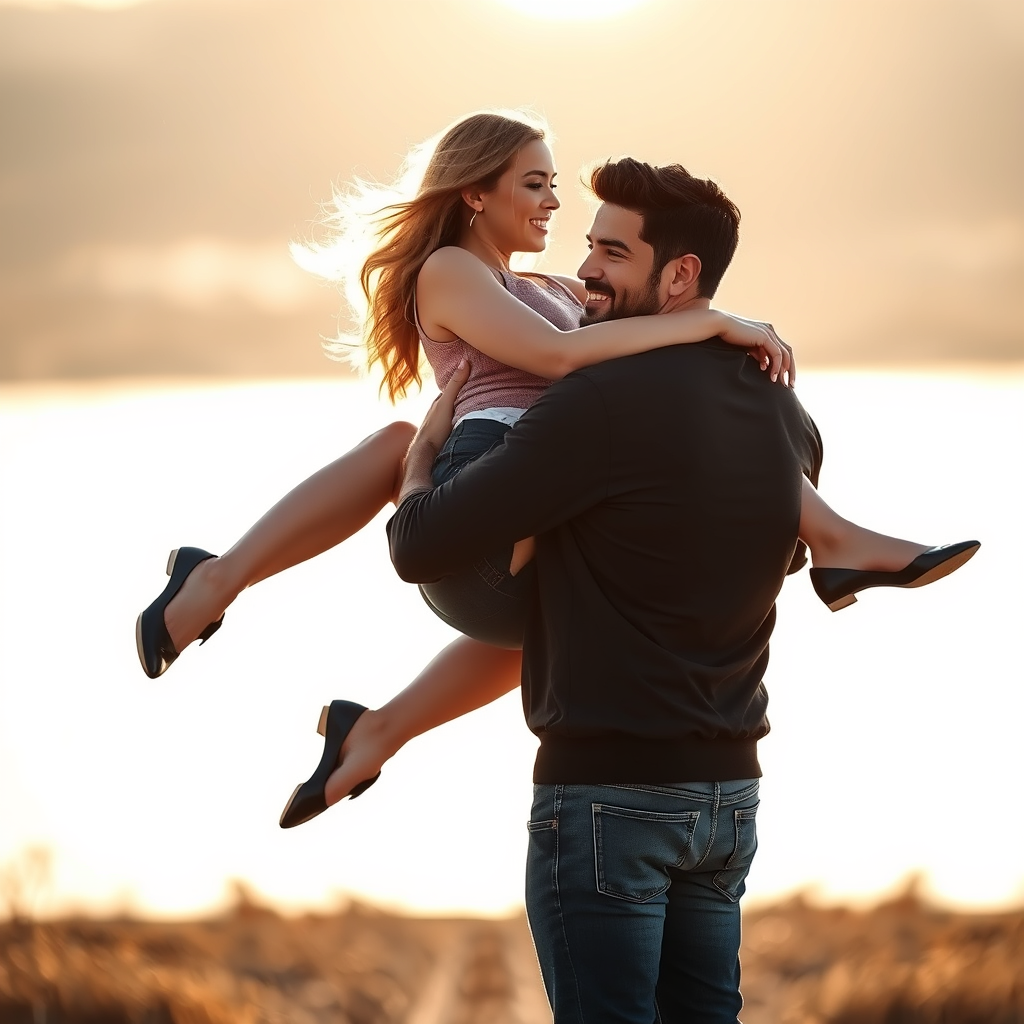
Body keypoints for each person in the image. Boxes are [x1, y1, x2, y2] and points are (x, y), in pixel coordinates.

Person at [133, 112, 977, 821]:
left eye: (553, 185)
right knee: (401, 443)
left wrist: (711, 334)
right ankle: (212, 581)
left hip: (554, 487)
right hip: (495, 471)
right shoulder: (451, 271)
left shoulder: (555, 288)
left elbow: (616, 350)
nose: (552, 200)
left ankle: (371, 734)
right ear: (475, 193)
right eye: (534, 183)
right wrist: (715, 323)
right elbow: (555, 359)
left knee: (562, 616)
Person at [384, 157, 976, 1021]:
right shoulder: (780, 408)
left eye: (612, 253)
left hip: (607, 793)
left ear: (681, 274)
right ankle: (857, 548)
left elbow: (419, 545)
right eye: (588, 245)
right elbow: (760, 555)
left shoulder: (594, 406)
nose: (585, 268)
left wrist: (416, 458)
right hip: (729, 793)